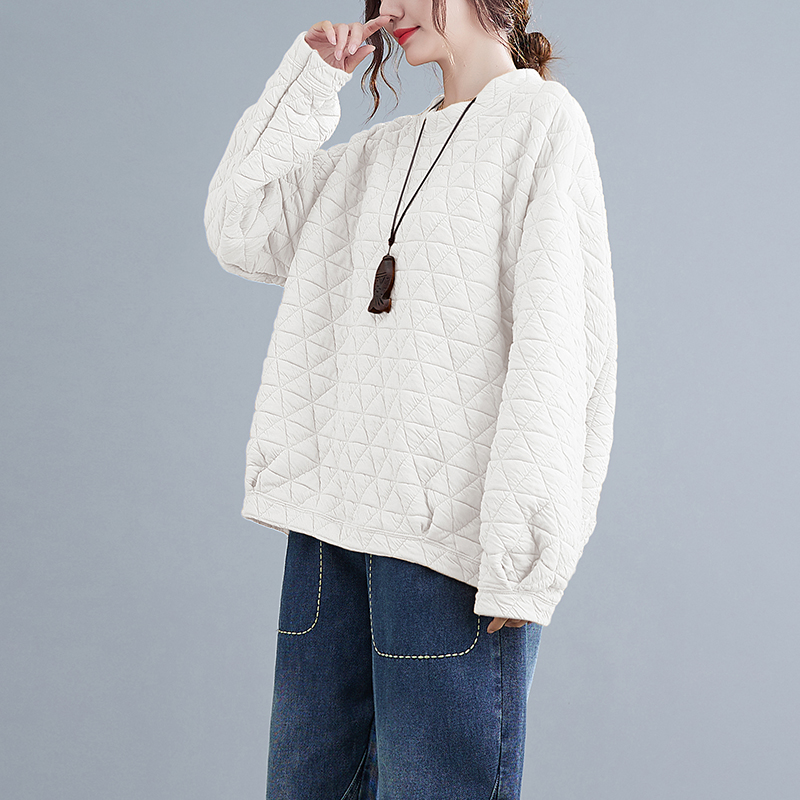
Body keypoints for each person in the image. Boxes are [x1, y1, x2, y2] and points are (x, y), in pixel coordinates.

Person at [204, 1, 617, 797]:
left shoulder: (541, 124)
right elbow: (240, 226)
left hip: (449, 550)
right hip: (329, 532)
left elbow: (560, 349)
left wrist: (523, 557)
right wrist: (309, 81)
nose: (387, 8)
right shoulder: (379, 151)